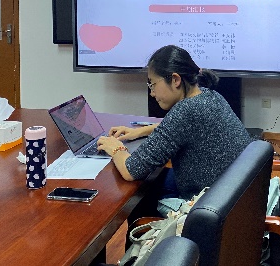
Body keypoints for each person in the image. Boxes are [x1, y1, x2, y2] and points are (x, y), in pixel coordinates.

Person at [97, 44, 253, 202]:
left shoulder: (185, 111)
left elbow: (131, 170)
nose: (152, 93)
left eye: (153, 84)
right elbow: (181, 128)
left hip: (207, 202)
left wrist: (115, 148)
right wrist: (139, 131)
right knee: (154, 180)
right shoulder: (209, 95)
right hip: (235, 195)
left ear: (175, 79)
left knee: (139, 196)